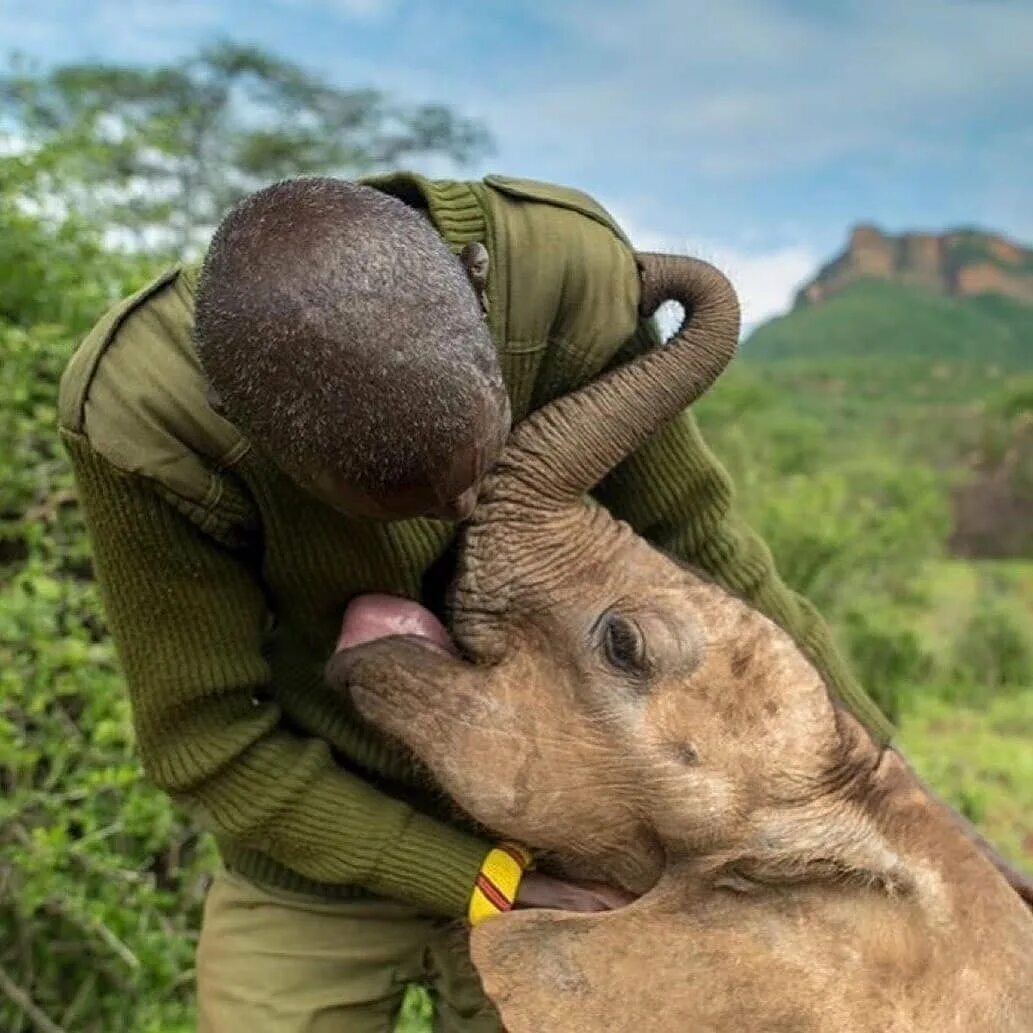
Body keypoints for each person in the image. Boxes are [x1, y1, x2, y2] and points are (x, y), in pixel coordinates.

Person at [57, 173, 1016, 1032]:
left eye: (476, 467)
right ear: (240, 420)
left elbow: (712, 560)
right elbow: (208, 740)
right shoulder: (145, 421)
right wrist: (482, 883)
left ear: (477, 292)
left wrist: (901, 801)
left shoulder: (555, 276)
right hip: (316, 847)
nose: (465, 515)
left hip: (584, 854)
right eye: (405, 503)